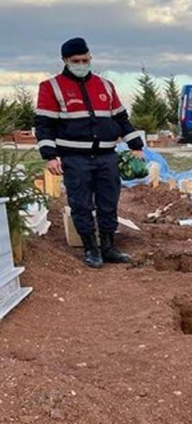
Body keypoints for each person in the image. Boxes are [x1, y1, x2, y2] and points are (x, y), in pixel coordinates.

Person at [34, 37, 145, 268]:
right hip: (75, 158)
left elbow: (121, 119)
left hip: (106, 156)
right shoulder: (51, 87)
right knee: (81, 204)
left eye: (86, 59)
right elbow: (44, 125)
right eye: (76, 60)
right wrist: (50, 156)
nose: (82, 64)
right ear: (65, 60)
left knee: (108, 203)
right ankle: (90, 248)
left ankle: (107, 245)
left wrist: (136, 146)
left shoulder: (105, 85)